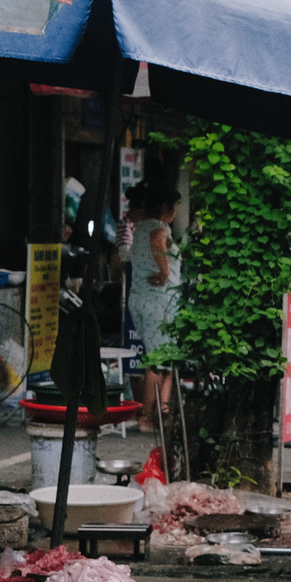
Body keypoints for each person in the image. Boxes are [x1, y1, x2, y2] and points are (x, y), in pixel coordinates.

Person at [124, 182, 181, 428]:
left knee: (165, 358)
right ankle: (147, 415)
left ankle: (162, 411)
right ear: (166, 206)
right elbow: (158, 242)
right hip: (157, 301)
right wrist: (165, 271)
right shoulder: (157, 227)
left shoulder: (141, 227)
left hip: (150, 300)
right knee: (158, 360)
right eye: (176, 206)